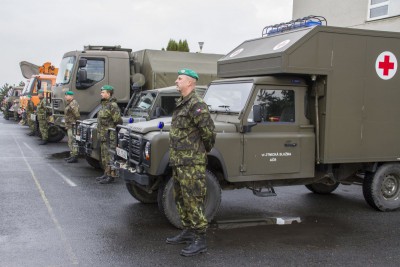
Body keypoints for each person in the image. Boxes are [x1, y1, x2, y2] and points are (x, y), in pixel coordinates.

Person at [166, 68, 216, 257]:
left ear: (190, 83)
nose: (176, 81)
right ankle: (188, 230)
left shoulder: (197, 104)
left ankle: (200, 238)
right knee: (181, 197)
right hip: (179, 161)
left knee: (193, 199)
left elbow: (209, 133)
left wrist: (201, 152)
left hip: (191, 163)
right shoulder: (182, 103)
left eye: (180, 78)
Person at [96, 85, 122, 184]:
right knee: (104, 156)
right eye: (101, 92)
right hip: (103, 135)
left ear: (109, 93)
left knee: (110, 156)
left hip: (109, 136)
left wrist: (111, 130)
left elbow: (118, 121)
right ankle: (106, 173)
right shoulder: (104, 105)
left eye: (103, 92)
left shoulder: (113, 105)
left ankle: (111, 175)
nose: (101, 93)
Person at [64, 91, 80, 163]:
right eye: (66, 95)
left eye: (67, 95)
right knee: (70, 141)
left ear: (71, 96)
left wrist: (75, 123)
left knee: (72, 141)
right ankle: (72, 155)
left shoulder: (73, 104)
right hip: (69, 125)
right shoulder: (69, 104)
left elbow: (77, 115)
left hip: (72, 125)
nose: (66, 97)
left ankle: (75, 156)